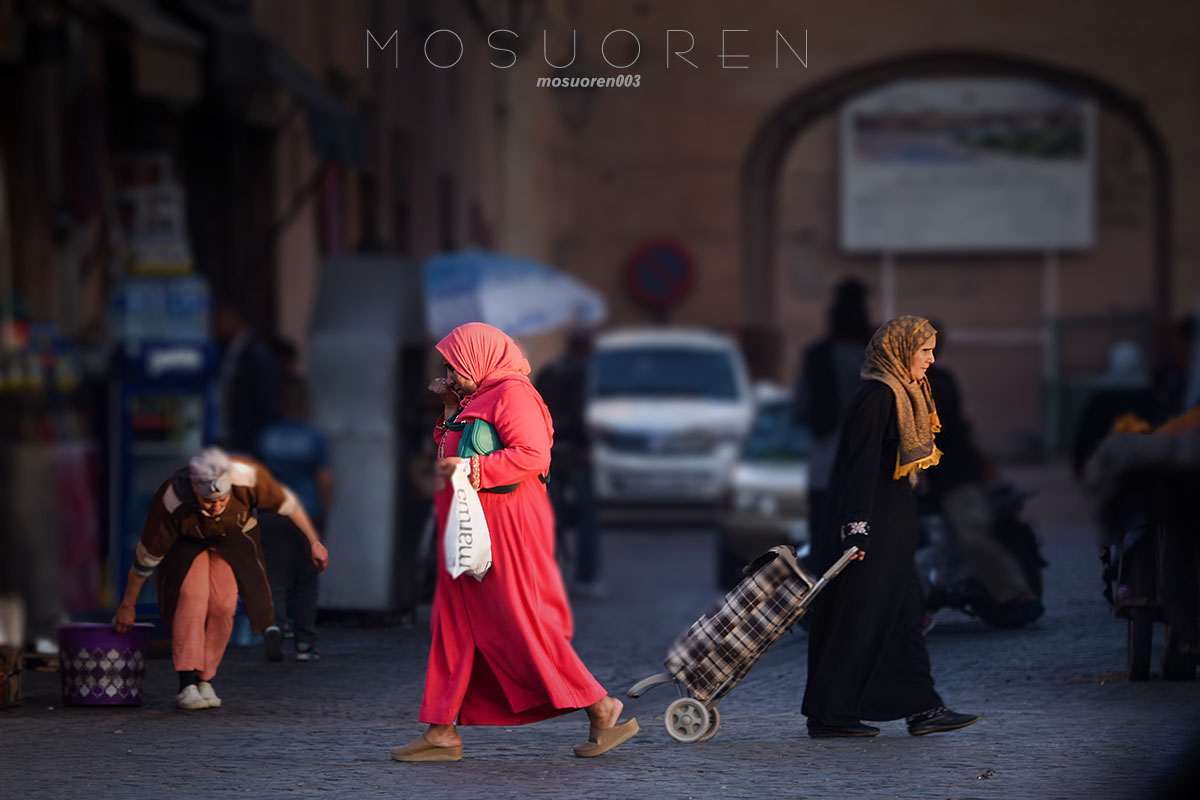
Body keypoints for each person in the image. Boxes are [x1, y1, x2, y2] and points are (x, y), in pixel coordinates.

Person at [391, 322, 638, 762]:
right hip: (469, 527)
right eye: (447, 367)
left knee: (520, 625)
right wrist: (450, 410)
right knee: (453, 625)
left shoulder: (512, 394)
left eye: (454, 366)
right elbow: (448, 455)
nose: (449, 374)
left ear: (479, 358)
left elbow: (532, 455)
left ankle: (601, 708)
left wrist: (476, 471)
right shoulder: (475, 399)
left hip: (505, 527)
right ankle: (442, 730)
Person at [802, 316, 978, 738]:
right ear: (900, 352)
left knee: (905, 616)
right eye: (924, 351)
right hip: (870, 529)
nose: (931, 360)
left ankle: (922, 709)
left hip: (894, 525)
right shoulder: (879, 396)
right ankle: (830, 715)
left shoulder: (908, 393)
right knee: (859, 619)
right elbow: (858, 466)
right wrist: (856, 528)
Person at [112, 446, 329, 710]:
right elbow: (146, 558)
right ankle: (186, 684)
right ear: (194, 489)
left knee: (223, 604)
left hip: (233, 537)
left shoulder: (248, 478)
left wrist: (313, 542)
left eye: (221, 500)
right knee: (193, 597)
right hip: (186, 543)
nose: (215, 507)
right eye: (208, 502)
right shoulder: (173, 499)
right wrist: (128, 604)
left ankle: (206, 678)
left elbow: (290, 506)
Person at [924, 326, 1043, 628]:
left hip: (952, 476)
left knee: (972, 534)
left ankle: (1018, 593)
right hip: (926, 480)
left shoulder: (937, 383)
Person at [256, 375, 334, 662]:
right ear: (304, 405)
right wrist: (323, 510)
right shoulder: (313, 438)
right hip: (307, 515)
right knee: (306, 578)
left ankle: (274, 625)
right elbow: (324, 479)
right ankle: (304, 644)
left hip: (272, 513)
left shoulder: (266, 437)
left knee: (274, 575)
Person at [793, 278, 874, 543]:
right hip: (869, 471)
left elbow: (800, 411)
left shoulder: (817, 357)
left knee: (823, 544)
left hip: (825, 470)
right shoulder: (876, 357)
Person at [535, 327, 602, 595]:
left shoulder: (549, 370)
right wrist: (587, 443)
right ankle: (586, 577)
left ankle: (551, 573)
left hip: (550, 448)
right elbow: (579, 411)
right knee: (587, 515)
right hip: (574, 450)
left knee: (553, 515)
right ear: (586, 349)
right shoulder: (581, 372)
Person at [213, 299, 280, 455]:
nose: (217, 324)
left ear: (234, 318)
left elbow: (264, 397)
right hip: (234, 437)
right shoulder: (230, 351)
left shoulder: (255, 353)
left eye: (221, 318)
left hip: (249, 439)